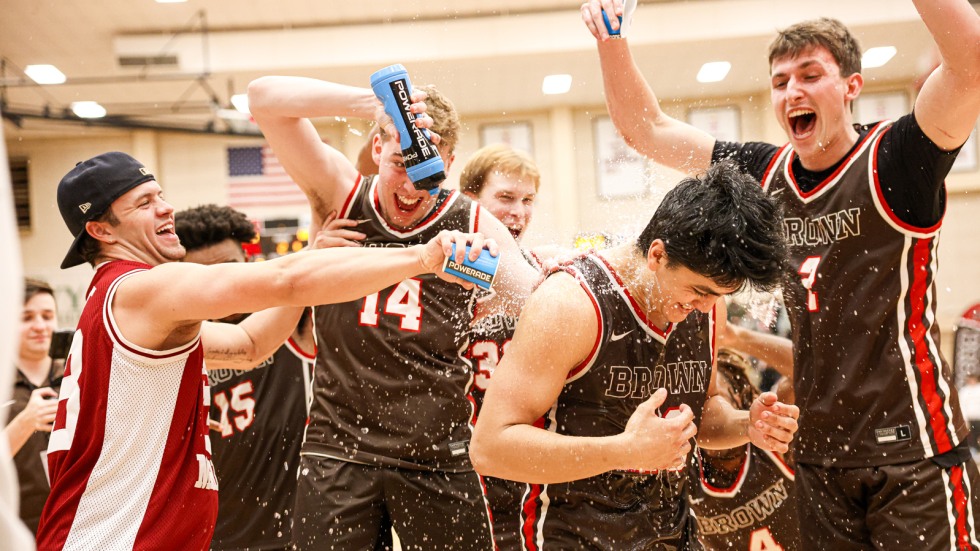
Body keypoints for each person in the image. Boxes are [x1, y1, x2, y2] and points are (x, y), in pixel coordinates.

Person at [582, 1, 980, 548]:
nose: (792, 90)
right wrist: (610, 39)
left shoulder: (896, 156)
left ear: (851, 86)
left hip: (912, 450)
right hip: (817, 455)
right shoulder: (763, 173)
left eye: (811, 75)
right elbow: (645, 130)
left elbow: (971, 65)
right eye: (780, 81)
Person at [35, 151, 493, 550]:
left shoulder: (122, 306)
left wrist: (315, 255)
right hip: (112, 540)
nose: (166, 208)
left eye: (160, 194)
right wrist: (424, 258)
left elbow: (248, 346)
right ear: (100, 229)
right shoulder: (139, 289)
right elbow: (284, 279)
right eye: (144, 203)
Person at [248, 74, 538, 549]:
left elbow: (536, 304)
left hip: (436, 450)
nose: (410, 185)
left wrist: (491, 303)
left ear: (447, 161)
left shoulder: (473, 223)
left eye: (426, 169)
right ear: (378, 146)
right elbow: (263, 98)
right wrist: (375, 103)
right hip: (337, 449)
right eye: (401, 162)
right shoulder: (341, 192)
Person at [470, 162, 799, 549]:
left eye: (719, 296)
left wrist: (748, 426)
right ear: (657, 255)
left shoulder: (706, 306)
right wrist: (623, 451)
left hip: (673, 535)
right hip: (572, 537)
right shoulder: (569, 304)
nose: (708, 309)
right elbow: (490, 448)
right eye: (699, 292)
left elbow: (703, 410)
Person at [174, 204, 336, 551]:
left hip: (301, 533)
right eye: (205, 277)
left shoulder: (289, 318)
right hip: (212, 539)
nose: (223, 286)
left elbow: (331, 202)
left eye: (229, 270)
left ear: (249, 265)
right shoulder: (175, 342)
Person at [459, 144, 542, 549]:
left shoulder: (542, 267)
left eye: (527, 200)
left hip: (524, 455)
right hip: (457, 457)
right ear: (470, 201)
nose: (519, 212)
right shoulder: (443, 269)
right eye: (506, 198)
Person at [689, 348, 800, 551]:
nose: (707, 418)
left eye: (716, 405)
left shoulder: (770, 430)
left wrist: (736, 336)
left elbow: (803, 365)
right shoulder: (683, 463)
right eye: (699, 407)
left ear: (739, 397)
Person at [3, 279, 63, 535]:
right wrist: (25, 422)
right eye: (27, 317)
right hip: (17, 528)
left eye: (47, 316)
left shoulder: (78, 374)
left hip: (74, 524)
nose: (40, 326)